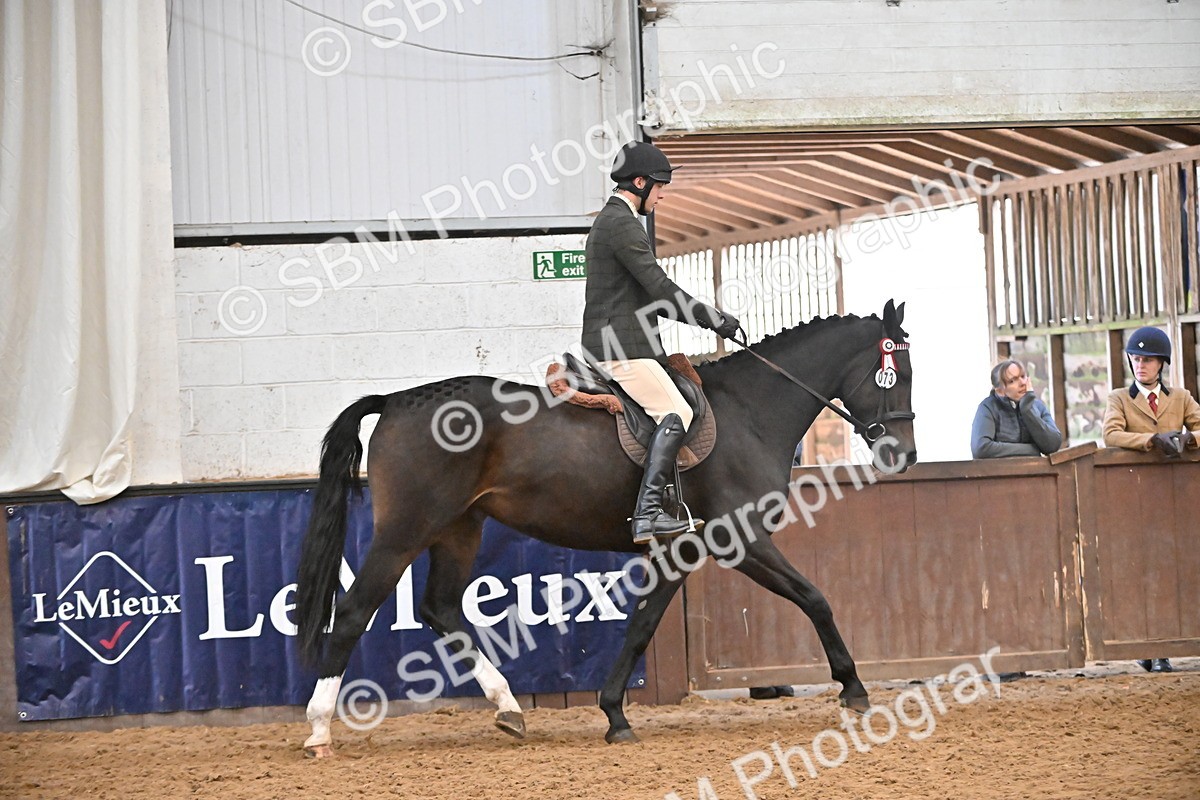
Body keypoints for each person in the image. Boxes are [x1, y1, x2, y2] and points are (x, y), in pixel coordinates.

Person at [581, 141, 741, 545]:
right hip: (619, 348)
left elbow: (653, 298)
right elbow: (660, 288)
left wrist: (707, 322)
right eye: (659, 185)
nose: (663, 193)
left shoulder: (620, 220)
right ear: (639, 183)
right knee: (677, 411)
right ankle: (648, 514)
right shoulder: (620, 224)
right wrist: (714, 318)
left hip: (625, 341)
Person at [1102, 326, 1200, 674]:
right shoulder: (1119, 398)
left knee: (1176, 567)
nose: (1141, 365)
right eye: (1137, 358)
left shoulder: (1182, 397)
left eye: (1148, 360)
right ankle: (1148, 645)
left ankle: (1166, 646)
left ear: (1162, 364)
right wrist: (1151, 440)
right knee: (1140, 568)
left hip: (1176, 493)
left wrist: (1188, 439)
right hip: (1136, 494)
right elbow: (1111, 433)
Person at [971, 360, 1062, 458]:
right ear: (1000, 391)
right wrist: (1032, 449)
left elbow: (1053, 445)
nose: (1022, 383)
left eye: (1023, 376)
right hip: (1000, 472)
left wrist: (1027, 410)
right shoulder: (988, 407)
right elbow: (981, 448)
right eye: (1012, 381)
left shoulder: (1038, 406)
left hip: (1035, 472)